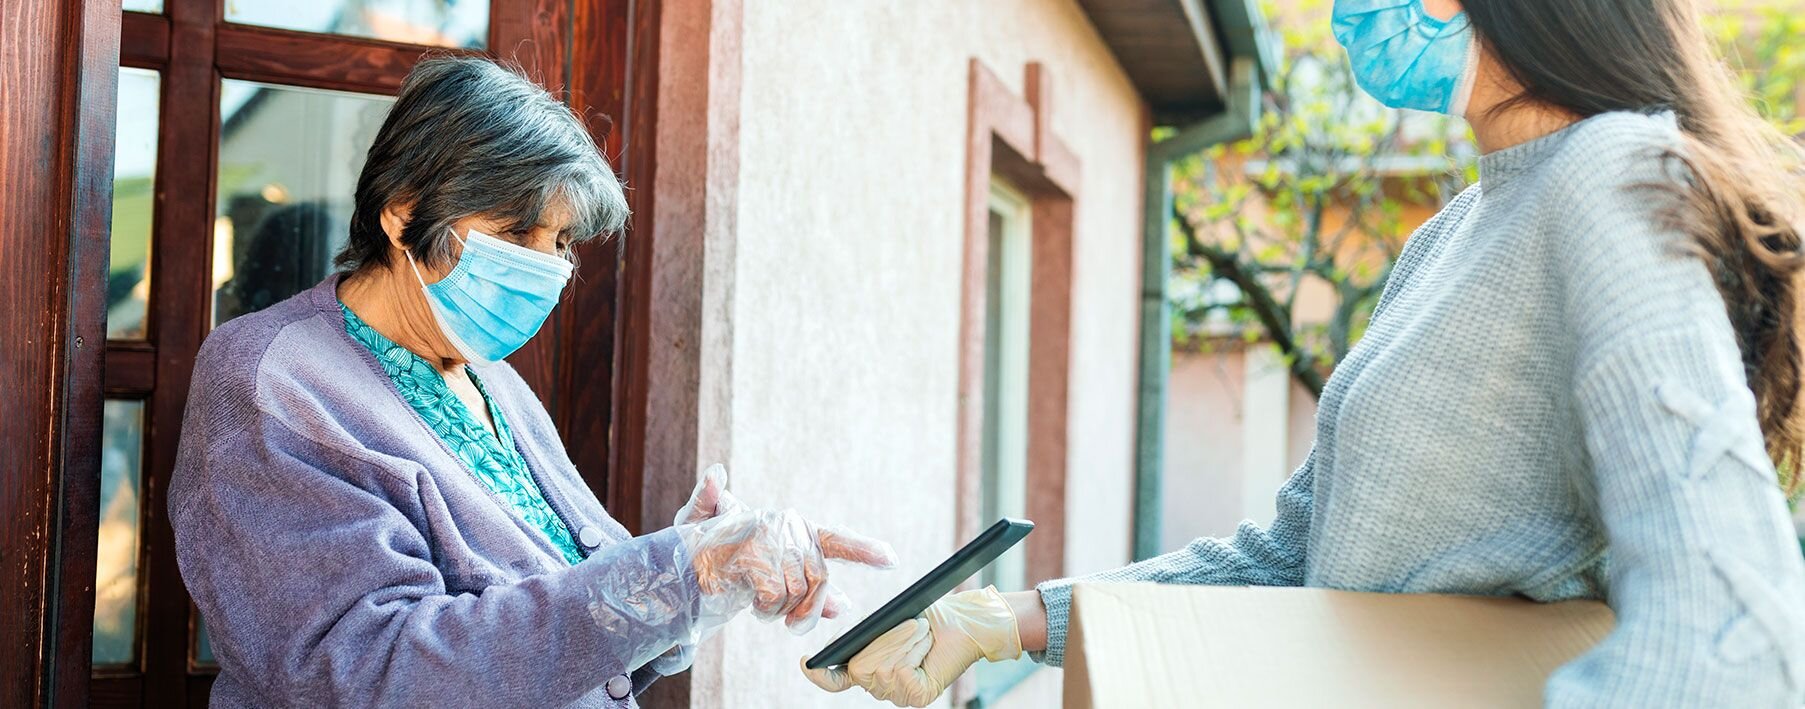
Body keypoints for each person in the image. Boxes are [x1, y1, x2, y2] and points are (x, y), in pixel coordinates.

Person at [804, 0, 1805, 705]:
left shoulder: (1609, 170)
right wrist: (1004, 618)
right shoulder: (1453, 230)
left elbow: (1728, 633)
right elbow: (1292, 560)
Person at [168, 57, 895, 708]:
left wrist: (704, 571)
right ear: (403, 213)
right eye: (519, 232)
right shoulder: (270, 377)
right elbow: (368, 670)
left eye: (562, 240)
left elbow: (577, 626)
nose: (549, 265)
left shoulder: (493, 381)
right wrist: (681, 570)